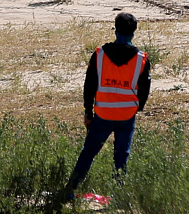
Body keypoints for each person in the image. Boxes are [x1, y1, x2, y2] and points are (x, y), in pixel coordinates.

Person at [63, 12, 150, 198]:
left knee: (88, 153)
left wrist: (88, 111)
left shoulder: (99, 54)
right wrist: (137, 108)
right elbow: (144, 90)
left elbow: (89, 85)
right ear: (134, 32)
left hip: (102, 113)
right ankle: (118, 198)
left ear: (115, 30)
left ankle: (70, 192)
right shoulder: (141, 59)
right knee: (121, 158)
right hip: (127, 115)